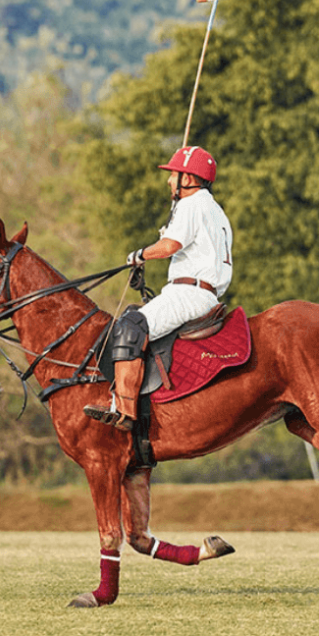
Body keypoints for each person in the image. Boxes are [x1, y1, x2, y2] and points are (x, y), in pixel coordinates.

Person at [83, 145, 233, 431]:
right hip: (201, 291)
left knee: (131, 324)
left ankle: (124, 410)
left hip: (190, 293)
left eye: (174, 174)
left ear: (188, 178)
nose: (169, 180)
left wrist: (139, 255)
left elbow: (169, 246)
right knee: (133, 315)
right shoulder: (214, 210)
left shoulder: (192, 204)